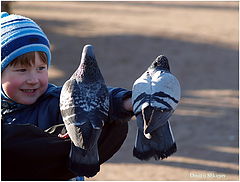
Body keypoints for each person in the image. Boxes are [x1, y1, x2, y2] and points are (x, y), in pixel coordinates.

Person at [1, 12, 133, 180]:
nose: (33, 79)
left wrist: (126, 102)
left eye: (41, 68)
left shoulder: (55, 99)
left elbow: (90, 95)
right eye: (22, 70)